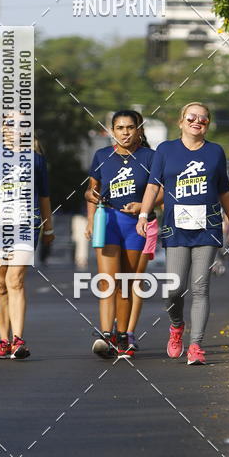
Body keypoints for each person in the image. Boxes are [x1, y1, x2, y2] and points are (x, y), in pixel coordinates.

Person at [136, 102, 229, 366]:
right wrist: (143, 214)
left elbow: (224, 191)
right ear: (181, 122)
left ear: (208, 124)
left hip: (208, 226)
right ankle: (176, 325)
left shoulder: (216, 152)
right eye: (192, 117)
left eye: (203, 119)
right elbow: (152, 186)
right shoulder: (166, 150)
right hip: (176, 227)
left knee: (200, 286)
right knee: (174, 288)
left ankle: (196, 345)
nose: (197, 122)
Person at [0, 121, 54, 360]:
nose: (13, 129)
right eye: (8, 124)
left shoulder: (36, 159)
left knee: (14, 280)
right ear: (1, 128)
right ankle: (3, 340)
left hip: (25, 225)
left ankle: (18, 340)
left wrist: (48, 228)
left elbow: (44, 197)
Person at [85, 109, 159, 358]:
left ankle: (124, 336)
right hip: (108, 221)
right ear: (112, 131)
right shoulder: (102, 156)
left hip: (136, 226)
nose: (125, 132)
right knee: (107, 282)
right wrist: (90, 218)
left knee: (126, 284)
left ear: (139, 130)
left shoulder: (150, 157)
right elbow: (90, 190)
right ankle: (106, 335)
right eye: (120, 128)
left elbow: (161, 192)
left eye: (130, 127)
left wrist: (143, 207)